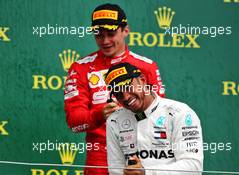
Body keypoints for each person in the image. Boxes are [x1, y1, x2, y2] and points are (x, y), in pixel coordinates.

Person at [64, 3, 165, 175]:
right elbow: (74, 122)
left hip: (142, 153)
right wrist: (99, 115)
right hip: (99, 156)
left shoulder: (146, 67)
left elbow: (159, 117)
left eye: (111, 34)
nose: (105, 41)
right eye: (98, 35)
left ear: (126, 30)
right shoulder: (79, 68)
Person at [105, 63, 203, 175]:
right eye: (118, 94)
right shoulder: (114, 121)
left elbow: (193, 167)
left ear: (142, 80)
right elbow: (115, 171)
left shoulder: (180, 113)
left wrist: (147, 172)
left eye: (127, 87)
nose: (126, 97)